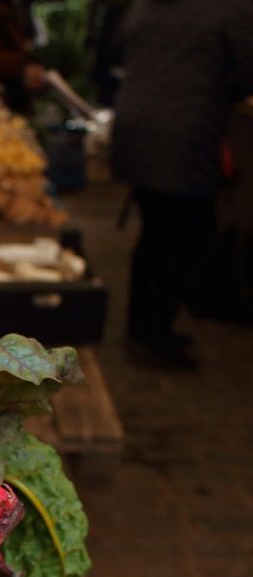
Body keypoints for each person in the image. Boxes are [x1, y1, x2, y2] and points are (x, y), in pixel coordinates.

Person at [111, 0, 253, 368]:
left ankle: (143, 327)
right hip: (184, 131)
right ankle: (152, 333)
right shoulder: (229, 8)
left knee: (157, 230)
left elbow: (120, 45)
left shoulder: (147, 5)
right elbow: (246, 69)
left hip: (136, 123)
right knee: (188, 234)